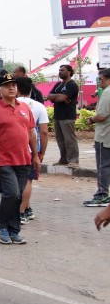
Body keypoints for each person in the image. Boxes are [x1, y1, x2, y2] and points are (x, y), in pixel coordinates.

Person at [0, 73, 39, 245]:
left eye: (14, 85)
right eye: (7, 86)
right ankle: (0, 224)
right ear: (0, 90)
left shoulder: (24, 108)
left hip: (24, 159)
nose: (12, 88)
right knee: (11, 192)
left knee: (19, 196)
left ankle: (14, 230)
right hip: (3, 160)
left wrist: (35, 155)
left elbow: (31, 132)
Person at [14, 78, 49, 224]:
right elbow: (44, 132)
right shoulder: (39, 106)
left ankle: (22, 209)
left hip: (12, 148)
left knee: (14, 179)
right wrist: (41, 153)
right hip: (31, 148)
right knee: (28, 180)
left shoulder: (11, 105)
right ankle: (22, 212)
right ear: (30, 89)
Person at [85, 68, 110, 207]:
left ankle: (102, 194)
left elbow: (102, 115)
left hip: (104, 135)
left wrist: (91, 119)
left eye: (101, 79)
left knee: (103, 166)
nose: (99, 82)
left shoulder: (107, 93)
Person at [48, 63, 80, 167]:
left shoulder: (72, 84)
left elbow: (62, 98)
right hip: (58, 115)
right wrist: (59, 96)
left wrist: (57, 97)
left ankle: (74, 160)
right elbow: (49, 96)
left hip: (67, 116)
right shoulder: (58, 85)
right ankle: (64, 159)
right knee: (60, 140)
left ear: (69, 72)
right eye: (59, 70)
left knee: (69, 139)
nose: (60, 72)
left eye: (63, 70)